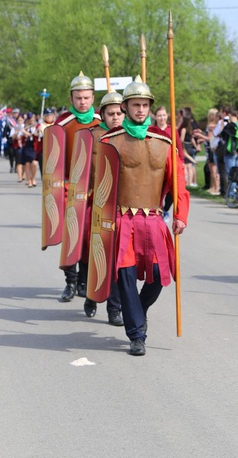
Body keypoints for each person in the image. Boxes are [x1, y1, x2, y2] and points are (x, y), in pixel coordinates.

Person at [100, 76, 190, 356]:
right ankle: (137, 334)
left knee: (157, 275)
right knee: (125, 276)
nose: (140, 109)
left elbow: (179, 184)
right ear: (125, 107)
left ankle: (138, 309)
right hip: (122, 219)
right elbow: (99, 185)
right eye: (135, 104)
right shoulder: (110, 141)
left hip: (153, 219)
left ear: (150, 107)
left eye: (145, 105)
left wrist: (181, 215)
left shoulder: (164, 142)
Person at [54, 71, 102, 303]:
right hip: (68, 188)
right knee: (70, 235)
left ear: (93, 97)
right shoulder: (62, 124)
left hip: (94, 191)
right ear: (71, 98)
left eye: (86, 97)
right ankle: (70, 282)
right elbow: (51, 160)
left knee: (88, 238)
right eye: (78, 98)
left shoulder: (102, 122)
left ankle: (83, 281)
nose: (82, 102)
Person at [86, 89, 126, 325]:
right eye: (110, 113)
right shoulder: (92, 136)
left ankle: (115, 308)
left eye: (119, 113)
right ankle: (92, 295)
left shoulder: (129, 138)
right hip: (97, 205)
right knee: (97, 256)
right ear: (102, 114)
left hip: (122, 207)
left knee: (118, 262)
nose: (115, 117)